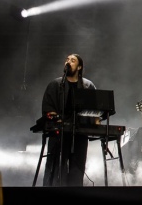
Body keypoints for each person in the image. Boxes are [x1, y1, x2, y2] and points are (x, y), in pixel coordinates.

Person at [41, 53, 98, 186]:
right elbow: (48, 107)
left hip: (80, 133)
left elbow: (96, 110)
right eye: (67, 59)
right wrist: (55, 117)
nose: (68, 62)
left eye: (73, 60)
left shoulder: (88, 86)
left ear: (79, 67)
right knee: (55, 166)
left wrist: (95, 122)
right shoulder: (55, 84)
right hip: (59, 133)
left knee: (77, 167)